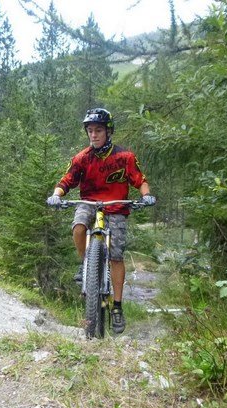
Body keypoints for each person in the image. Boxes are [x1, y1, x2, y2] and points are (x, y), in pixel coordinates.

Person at [46, 108, 156, 334]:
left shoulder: (125, 157)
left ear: (108, 132)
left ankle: (117, 306)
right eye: (90, 131)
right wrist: (57, 195)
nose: (93, 135)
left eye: (98, 130)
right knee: (78, 227)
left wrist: (146, 196)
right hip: (88, 203)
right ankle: (86, 263)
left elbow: (140, 180)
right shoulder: (81, 158)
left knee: (116, 255)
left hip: (116, 206)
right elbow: (66, 180)